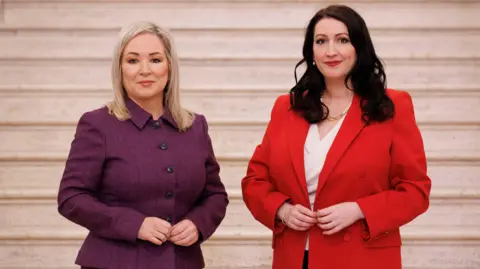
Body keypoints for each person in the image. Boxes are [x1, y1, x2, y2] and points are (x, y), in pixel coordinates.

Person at [241, 5, 431, 269]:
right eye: (321, 41)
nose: (331, 51)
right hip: (295, 258)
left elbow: (415, 191)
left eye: (342, 40)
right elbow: (255, 181)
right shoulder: (287, 107)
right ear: (311, 51)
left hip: (362, 257)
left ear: (359, 47)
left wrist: (359, 209)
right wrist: (282, 210)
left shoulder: (391, 106)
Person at [57, 21, 229, 269]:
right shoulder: (97, 124)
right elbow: (71, 198)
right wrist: (134, 224)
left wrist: (198, 224)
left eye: (156, 60)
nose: (144, 70)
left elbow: (215, 195)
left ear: (169, 67)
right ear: (120, 69)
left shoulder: (195, 126)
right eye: (133, 60)